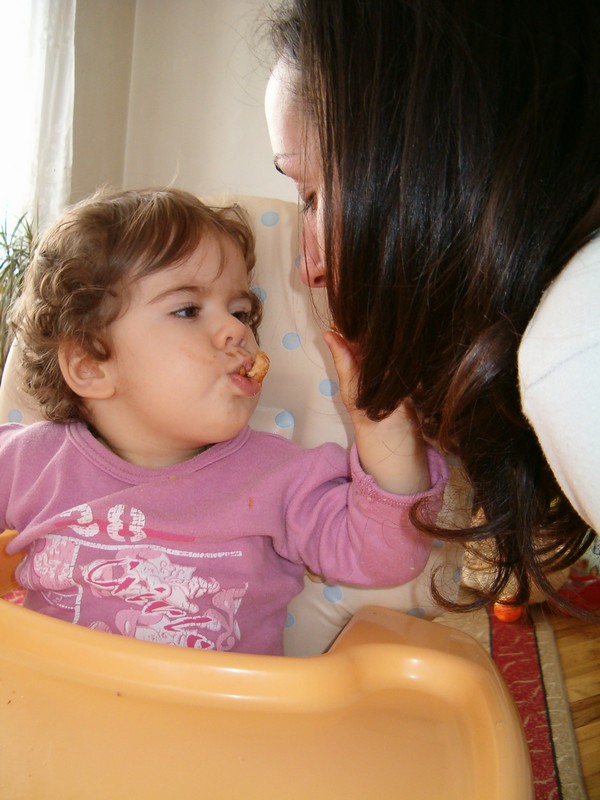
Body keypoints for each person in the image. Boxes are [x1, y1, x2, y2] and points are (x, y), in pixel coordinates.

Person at [0, 187, 447, 654]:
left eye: (241, 312)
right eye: (187, 310)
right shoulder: (30, 462)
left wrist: (386, 425)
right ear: (91, 366)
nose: (238, 330)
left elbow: (384, 557)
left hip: (217, 701)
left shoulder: (282, 479)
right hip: (46, 694)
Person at [264, 0, 600, 613]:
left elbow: (384, 553)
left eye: (311, 194)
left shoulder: (577, 354)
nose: (309, 267)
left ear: (423, 163)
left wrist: (380, 425)